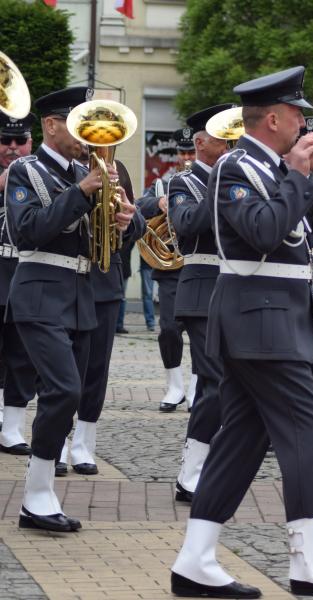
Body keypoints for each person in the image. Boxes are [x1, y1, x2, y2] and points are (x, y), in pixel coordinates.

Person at [170, 66, 313, 598]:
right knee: (307, 429)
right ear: (272, 119)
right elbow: (263, 232)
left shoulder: (286, 168)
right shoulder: (236, 167)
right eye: (298, 115)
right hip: (258, 319)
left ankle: (195, 559)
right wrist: (295, 172)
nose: (306, 124)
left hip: (279, 319)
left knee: (241, 440)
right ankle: (309, 558)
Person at [5, 86, 136, 532]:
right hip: (39, 291)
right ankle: (36, 495)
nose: (87, 135)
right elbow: (28, 232)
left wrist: (126, 219)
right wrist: (81, 192)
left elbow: (120, 232)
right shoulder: (27, 170)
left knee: (70, 392)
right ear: (51, 125)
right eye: (77, 124)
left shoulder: (89, 170)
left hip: (82, 294)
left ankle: (39, 497)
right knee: (64, 390)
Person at [58, 159, 144, 476]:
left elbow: (138, 223)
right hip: (64, 283)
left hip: (104, 282)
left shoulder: (116, 166)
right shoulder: (61, 171)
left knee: (96, 368)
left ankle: (83, 444)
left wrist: (125, 221)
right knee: (62, 371)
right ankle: (54, 442)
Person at [167, 103, 232, 503]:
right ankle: (191, 472)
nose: (230, 143)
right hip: (200, 289)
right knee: (217, 382)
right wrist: (225, 185)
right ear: (200, 142)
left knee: (224, 385)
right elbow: (188, 224)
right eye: (222, 136)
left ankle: (204, 468)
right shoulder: (183, 182)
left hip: (234, 290)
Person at [137, 127, 197, 412]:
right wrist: (159, 202)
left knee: (202, 331)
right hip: (172, 269)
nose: (187, 157)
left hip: (200, 266)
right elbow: (139, 205)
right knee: (169, 329)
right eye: (183, 152)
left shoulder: (212, 181)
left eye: (191, 152)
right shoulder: (164, 184)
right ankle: (175, 386)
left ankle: (198, 387)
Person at [0, 111, 38, 453]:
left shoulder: (41, 176)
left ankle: (12, 427)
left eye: (20, 141)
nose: (13, 148)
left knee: (23, 357)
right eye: (5, 141)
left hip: (26, 276)